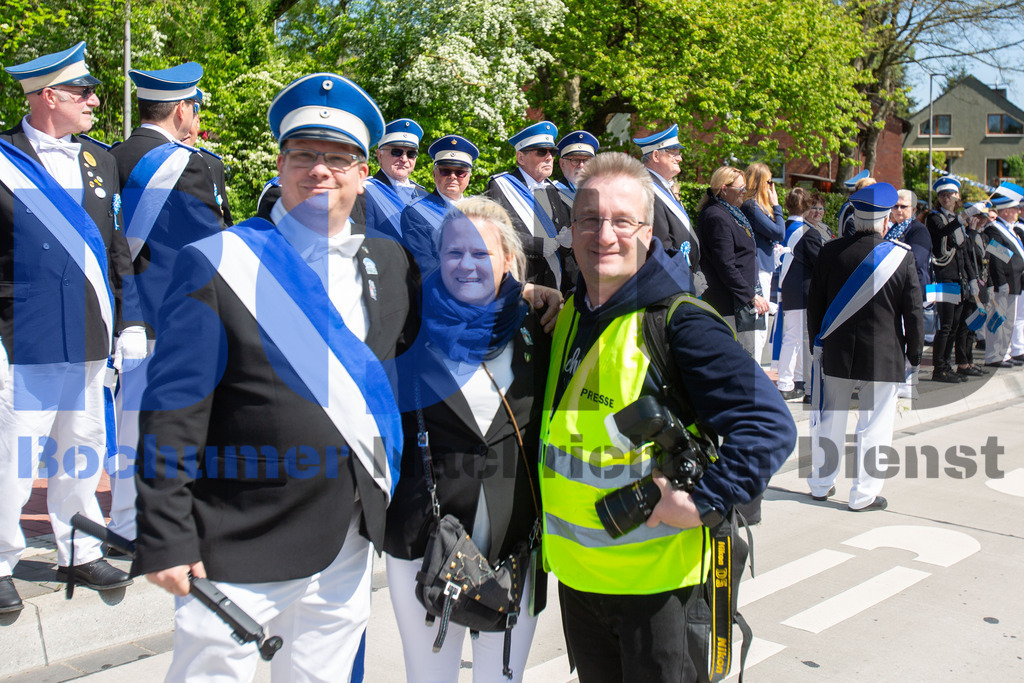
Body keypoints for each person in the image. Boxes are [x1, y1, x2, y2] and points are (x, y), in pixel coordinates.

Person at [132, 73, 415, 680]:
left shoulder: (389, 261)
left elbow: (419, 351)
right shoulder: (218, 263)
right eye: (305, 155)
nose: (320, 171)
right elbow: (175, 408)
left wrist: (525, 294)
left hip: (349, 533)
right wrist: (165, 531)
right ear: (281, 165)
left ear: (363, 173)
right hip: (240, 533)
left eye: (339, 158)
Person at [540, 152, 795, 682]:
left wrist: (703, 500)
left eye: (622, 221)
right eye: (589, 219)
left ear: (649, 232)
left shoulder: (681, 323)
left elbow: (770, 425)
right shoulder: (572, 314)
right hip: (581, 583)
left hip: (662, 593)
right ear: (570, 229)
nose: (604, 235)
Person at [1, 42, 141, 612]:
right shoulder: (4, 158)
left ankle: (80, 550)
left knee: (81, 447)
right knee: (14, 454)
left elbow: (115, 249)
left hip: (88, 327)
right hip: (21, 333)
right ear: (47, 96)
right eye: (83, 92)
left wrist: (130, 320)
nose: (94, 101)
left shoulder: (100, 161)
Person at [384, 197, 548, 682]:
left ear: (507, 260)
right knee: (429, 676)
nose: (466, 264)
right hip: (423, 540)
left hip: (516, 542)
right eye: (454, 252)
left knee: (503, 677)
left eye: (481, 253)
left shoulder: (539, 327)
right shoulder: (407, 324)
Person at [108, 63, 229, 544]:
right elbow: (214, 249)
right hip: (182, 318)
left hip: (126, 316)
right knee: (184, 425)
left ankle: (124, 523)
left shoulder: (106, 158)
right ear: (182, 109)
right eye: (195, 109)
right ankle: (171, 522)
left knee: (128, 424)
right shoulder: (194, 164)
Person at [807, 183, 924, 511]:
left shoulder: (830, 251)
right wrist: (914, 354)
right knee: (875, 425)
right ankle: (863, 494)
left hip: (837, 350)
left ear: (854, 218)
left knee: (830, 418)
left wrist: (817, 344)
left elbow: (815, 305)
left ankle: (820, 484)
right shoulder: (901, 256)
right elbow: (913, 311)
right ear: (886, 220)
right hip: (883, 353)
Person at [487, 121, 574, 292]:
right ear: (521, 157)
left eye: (552, 152)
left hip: (553, 283)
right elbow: (495, 234)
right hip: (519, 284)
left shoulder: (553, 190)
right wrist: (537, 245)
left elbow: (563, 232)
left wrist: (567, 242)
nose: (549, 157)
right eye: (541, 152)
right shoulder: (501, 186)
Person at [694, 166, 769, 357]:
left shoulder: (731, 212)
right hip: (730, 306)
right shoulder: (716, 216)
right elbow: (725, 265)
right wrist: (751, 296)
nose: (744, 191)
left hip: (739, 302)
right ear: (724, 189)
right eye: (740, 188)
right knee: (740, 360)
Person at [400, 134, 479, 274]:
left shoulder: (479, 211)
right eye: (445, 171)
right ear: (434, 174)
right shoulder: (415, 212)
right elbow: (424, 264)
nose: (452, 176)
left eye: (460, 172)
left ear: (469, 177)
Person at [634, 125, 702, 286]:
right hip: (668, 279)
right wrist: (687, 279)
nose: (680, 158)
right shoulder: (647, 189)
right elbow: (660, 243)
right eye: (674, 153)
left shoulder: (662, 187)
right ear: (656, 155)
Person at [925, 177, 977, 381]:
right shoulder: (934, 217)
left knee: (954, 325)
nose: (946, 198)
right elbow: (942, 232)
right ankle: (939, 368)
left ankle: (947, 364)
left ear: (957, 197)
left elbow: (963, 252)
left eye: (950, 195)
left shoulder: (957, 221)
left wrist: (972, 279)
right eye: (942, 195)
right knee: (945, 325)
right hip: (943, 277)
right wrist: (962, 218)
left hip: (958, 278)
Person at [776, 188, 823, 401]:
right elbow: (820, 264)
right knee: (799, 338)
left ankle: (796, 380)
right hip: (804, 292)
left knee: (793, 337)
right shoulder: (808, 233)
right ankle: (788, 382)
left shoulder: (780, 227)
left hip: (786, 289)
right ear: (807, 207)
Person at [740, 163, 785, 363]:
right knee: (758, 323)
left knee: (761, 323)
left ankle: (754, 368)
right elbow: (778, 232)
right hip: (757, 269)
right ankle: (754, 370)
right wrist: (777, 206)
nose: (770, 186)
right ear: (760, 182)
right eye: (768, 181)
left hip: (764, 267)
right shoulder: (751, 206)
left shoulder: (755, 206)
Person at [363, 117, 428, 240]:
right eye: (396, 152)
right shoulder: (364, 192)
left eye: (411, 154)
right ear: (379, 155)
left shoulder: (423, 195)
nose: (404, 159)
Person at [982, 184, 1024, 367]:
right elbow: (997, 259)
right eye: (1015, 208)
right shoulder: (994, 229)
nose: (1018, 211)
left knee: (1008, 321)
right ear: (1006, 211)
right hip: (1003, 282)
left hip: (1014, 280)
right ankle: (994, 356)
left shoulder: (1010, 228)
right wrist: (1001, 283)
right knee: (998, 320)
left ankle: (1005, 353)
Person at [182, 87, 233, 226]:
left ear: (197, 122)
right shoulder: (161, 162)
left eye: (190, 122)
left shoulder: (213, 164)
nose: (185, 131)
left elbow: (226, 221)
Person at [552, 130, 598, 209]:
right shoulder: (553, 194)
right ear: (562, 164)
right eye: (575, 160)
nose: (581, 165)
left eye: (586, 160)